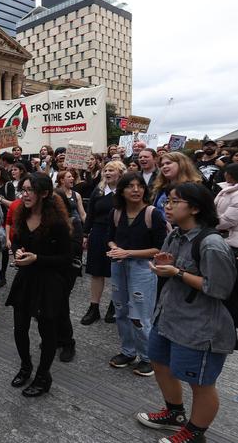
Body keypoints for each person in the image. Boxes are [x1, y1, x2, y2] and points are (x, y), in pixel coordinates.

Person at [137, 184, 236, 443]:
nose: (166, 206)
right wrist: (165, 265)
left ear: (194, 208)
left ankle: (195, 433)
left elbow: (220, 289)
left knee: (200, 383)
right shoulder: (176, 234)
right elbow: (170, 265)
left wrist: (177, 273)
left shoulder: (212, 244)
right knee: (160, 363)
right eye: (167, 201)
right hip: (168, 316)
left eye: (174, 202)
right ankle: (174, 414)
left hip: (200, 326)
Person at [5, 173, 72, 397]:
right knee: (19, 328)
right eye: (22, 189)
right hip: (25, 280)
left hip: (49, 283)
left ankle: (43, 376)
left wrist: (38, 259)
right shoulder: (21, 215)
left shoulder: (58, 223)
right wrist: (18, 251)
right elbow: (16, 241)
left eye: (29, 190)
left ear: (44, 193)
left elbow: (66, 258)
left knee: (47, 331)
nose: (24, 194)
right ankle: (26, 367)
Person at [107, 173, 168, 377]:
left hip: (143, 268)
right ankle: (128, 352)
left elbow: (159, 249)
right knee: (121, 310)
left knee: (139, 315)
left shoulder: (153, 214)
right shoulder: (116, 213)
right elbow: (110, 238)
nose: (136, 189)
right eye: (130, 186)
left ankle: (147, 357)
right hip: (119, 266)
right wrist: (115, 248)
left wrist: (128, 253)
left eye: (139, 185)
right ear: (121, 190)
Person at [81, 160, 127, 325]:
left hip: (118, 235)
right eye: (106, 170)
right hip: (98, 233)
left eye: (112, 170)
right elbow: (90, 213)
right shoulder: (98, 190)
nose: (107, 173)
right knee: (97, 272)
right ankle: (94, 308)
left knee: (116, 271)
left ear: (120, 173)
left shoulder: (125, 191)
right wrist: (86, 234)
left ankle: (114, 306)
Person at [54, 190, 84, 363]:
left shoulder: (74, 222)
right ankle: (56, 338)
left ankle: (68, 342)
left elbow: (75, 249)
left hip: (67, 270)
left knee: (61, 305)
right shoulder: (46, 220)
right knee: (51, 305)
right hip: (51, 268)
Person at [152, 152, 202, 220]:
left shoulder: (193, 188)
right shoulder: (161, 188)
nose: (164, 166)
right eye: (162, 165)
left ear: (181, 164)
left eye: (168, 163)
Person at [214, 163, 238, 252]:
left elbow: (229, 220)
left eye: (226, 172)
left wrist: (209, 223)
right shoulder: (227, 189)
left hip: (233, 243)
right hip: (224, 236)